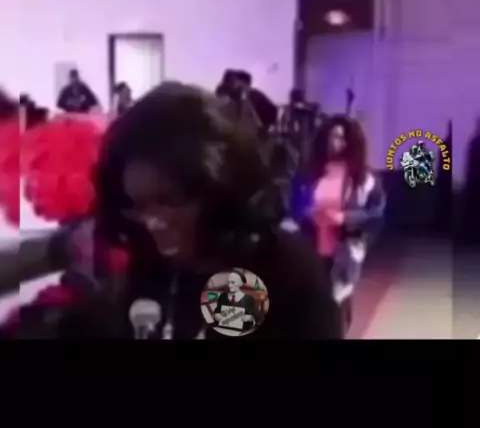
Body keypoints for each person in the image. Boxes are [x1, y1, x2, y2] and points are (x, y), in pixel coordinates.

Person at [2, 83, 342, 339]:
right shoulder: (146, 268)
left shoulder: (285, 270)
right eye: (138, 206)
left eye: (169, 202)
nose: (153, 222)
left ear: (216, 188)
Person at [309, 115, 385, 333]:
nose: (335, 142)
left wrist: (345, 218)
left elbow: (376, 215)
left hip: (344, 252)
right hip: (313, 250)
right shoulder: (313, 172)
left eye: (341, 137)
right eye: (332, 136)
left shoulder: (364, 178)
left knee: (337, 311)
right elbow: (296, 205)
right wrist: (307, 215)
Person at [212, 269, 262, 334]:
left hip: (242, 331)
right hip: (224, 329)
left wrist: (250, 318)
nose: (230, 285)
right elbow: (217, 311)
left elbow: (257, 317)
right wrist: (217, 316)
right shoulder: (223, 296)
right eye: (228, 282)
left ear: (241, 283)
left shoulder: (249, 299)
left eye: (233, 282)